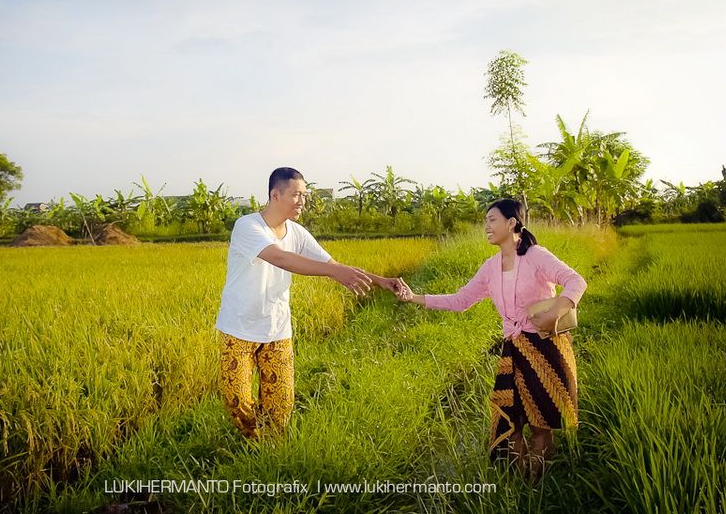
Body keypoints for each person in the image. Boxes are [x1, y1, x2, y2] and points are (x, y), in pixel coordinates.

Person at [395, 198, 586, 479]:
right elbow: (461, 300)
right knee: (511, 421)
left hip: (544, 349)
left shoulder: (536, 256)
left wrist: (555, 312)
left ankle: (537, 488)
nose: (486, 225)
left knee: (540, 426)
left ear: (511, 223)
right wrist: (414, 298)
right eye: (485, 220)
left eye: (492, 219)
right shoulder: (490, 267)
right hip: (514, 351)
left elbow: (576, 281)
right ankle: (521, 481)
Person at [216, 167, 400, 438]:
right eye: (296, 195)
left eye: (304, 195)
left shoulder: (297, 233)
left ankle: (269, 452)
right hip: (238, 329)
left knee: (280, 405)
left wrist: (380, 280)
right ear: (275, 195)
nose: (302, 201)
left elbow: (333, 265)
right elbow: (280, 258)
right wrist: (334, 272)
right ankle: (254, 442)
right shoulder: (248, 226)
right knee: (237, 401)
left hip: (277, 330)